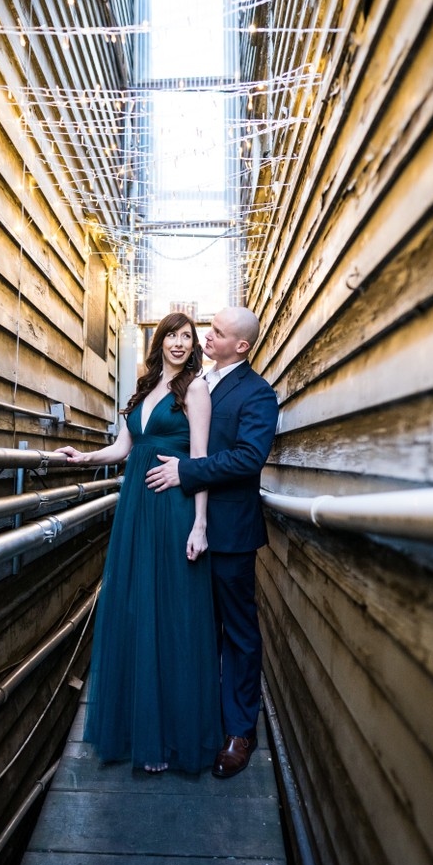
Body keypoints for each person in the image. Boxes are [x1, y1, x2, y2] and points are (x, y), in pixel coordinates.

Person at [56, 312, 222, 774]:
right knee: (136, 607)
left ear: (194, 346)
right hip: (136, 511)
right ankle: (138, 730)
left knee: (173, 613)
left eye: (188, 337)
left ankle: (171, 736)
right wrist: (83, 455)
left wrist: (200, 524)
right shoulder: (144, 389)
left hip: (174, 509)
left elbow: (202, 458)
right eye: (172, 335)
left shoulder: (196, 390)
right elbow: (122, 448)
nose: (180, 343)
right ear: (159, 340)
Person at [146, 306, 279, 779]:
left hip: (230, 534)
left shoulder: (259, 395)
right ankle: (196, 719)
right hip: (185, 526)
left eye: (218, 333)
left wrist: (186, 471)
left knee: (238, 633)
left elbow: (247, 459)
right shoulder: (197, 380)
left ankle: (240, 730)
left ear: (241, 346)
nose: (207, 336)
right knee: (195, 626)